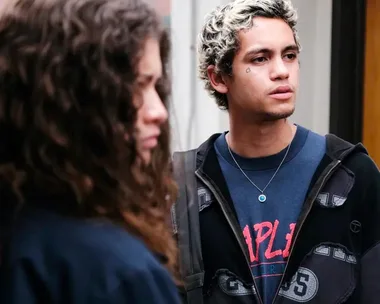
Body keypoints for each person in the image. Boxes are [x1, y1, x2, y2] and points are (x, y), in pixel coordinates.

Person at [172, 0, 380, 303]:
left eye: (290, 55)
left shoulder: (351, 174)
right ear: (219, 78)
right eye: (260, 59)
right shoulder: (182, 185)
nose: (282, 71)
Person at [0, 0, 180, 303]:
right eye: (139, 86)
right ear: (76, 101)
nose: (158, 112)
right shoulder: (117, 272)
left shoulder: (17, 229)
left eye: (156, 87)